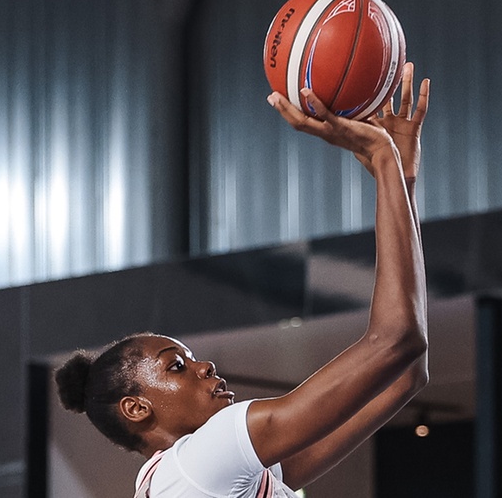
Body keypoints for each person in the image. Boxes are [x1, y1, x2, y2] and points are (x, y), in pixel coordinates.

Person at [55, 62, 431, 497]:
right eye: (175, 367)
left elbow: (408, 371)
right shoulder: (198, 463)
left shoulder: (208, 476)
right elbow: (395, 342)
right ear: (137, 408)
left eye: (189, 358)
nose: (204, 367)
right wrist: (386, 164)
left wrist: (399, 184)